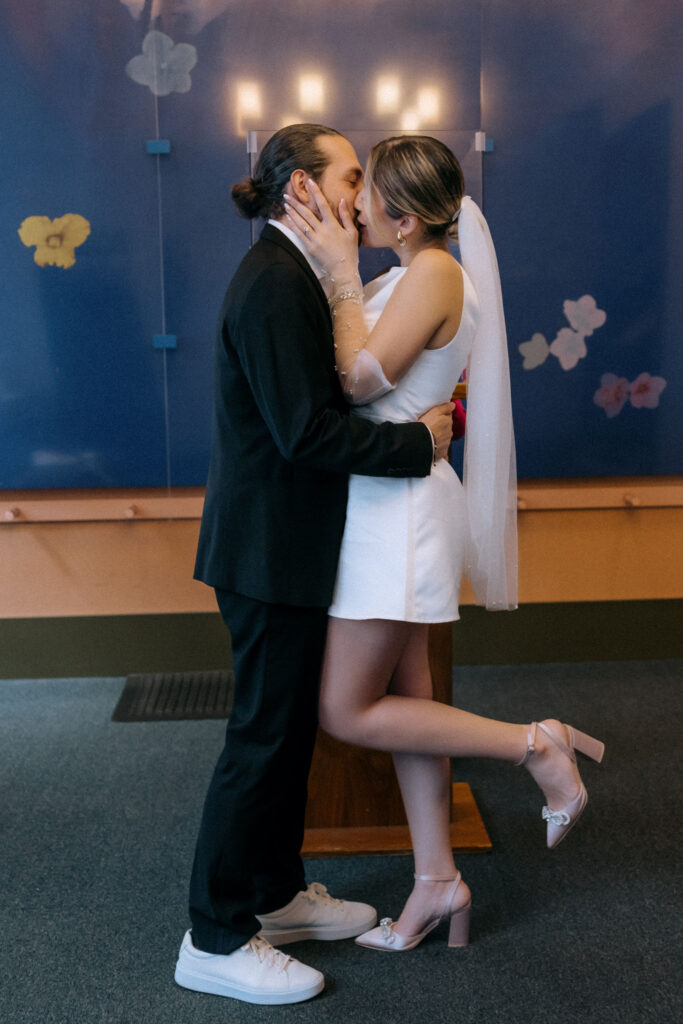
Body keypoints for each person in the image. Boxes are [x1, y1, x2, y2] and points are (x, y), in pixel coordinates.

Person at [283, 135, 605, 952]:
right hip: (388, 499)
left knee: (345, 708)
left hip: (395, 512)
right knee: (411, 701)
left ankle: (534, 743)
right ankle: (437, 881)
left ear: (397, 209)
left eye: (364, 191)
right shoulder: (416, 271)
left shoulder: (432, 271)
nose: (352, 205)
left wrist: (337, 274)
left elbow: (358, 379)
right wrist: (345, 277)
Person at [173, 124, 455, 1005]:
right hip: (264, 553)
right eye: (347, 176)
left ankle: (275, 896)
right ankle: (214, 936)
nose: (360, 192)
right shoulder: (271, 286)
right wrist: (420, 444)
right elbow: (304, 433)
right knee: (261, 739)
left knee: (291, 732)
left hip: (289, 547)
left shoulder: (297, 275)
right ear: (300, 188)